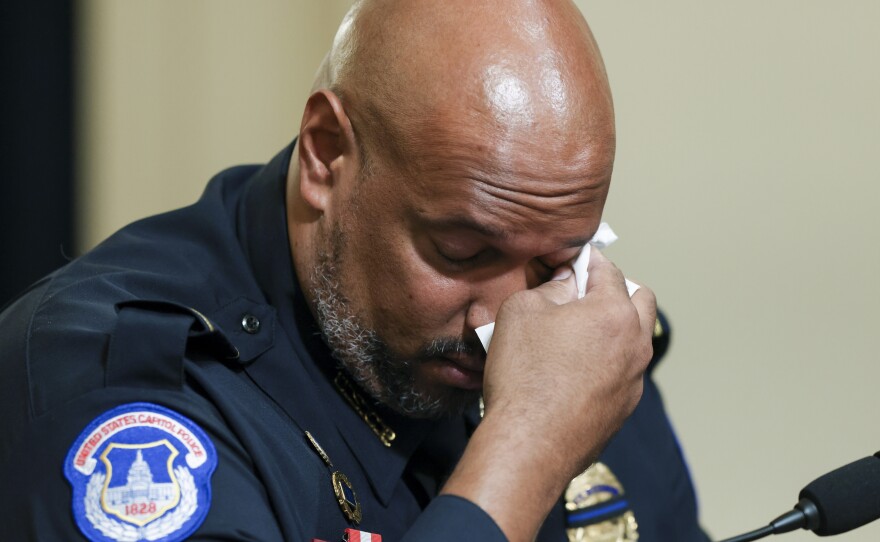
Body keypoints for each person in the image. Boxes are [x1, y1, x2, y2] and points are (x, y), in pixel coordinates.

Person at [0, 1, 709, 541]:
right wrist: (527, 447)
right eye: (461, 252)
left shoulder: (570, 329)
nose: (505, 322)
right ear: (326, 153)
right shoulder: (125, 391)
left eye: (558, 260)